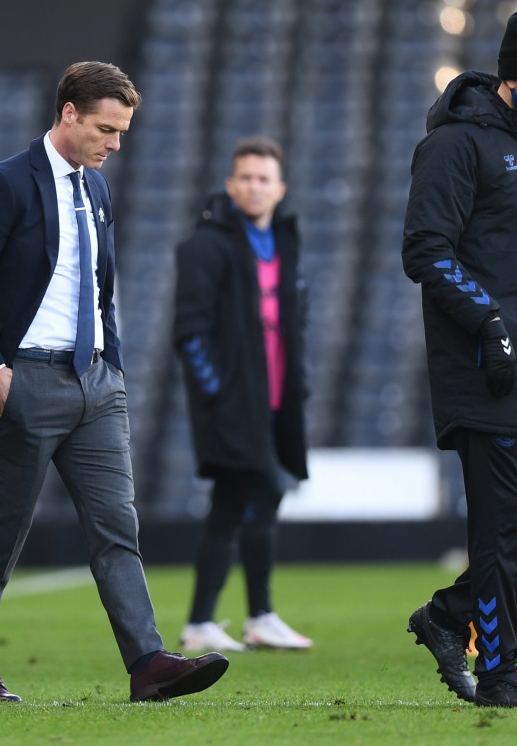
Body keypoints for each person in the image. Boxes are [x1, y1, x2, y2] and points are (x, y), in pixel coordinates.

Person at [0, 61, 229, 703]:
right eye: (106, 129)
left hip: (96, 385)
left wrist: (110, 361)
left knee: (119, 530)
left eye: (121, 131)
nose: (115, 143)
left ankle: (147, 663)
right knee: (0, 537)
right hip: (23, 379)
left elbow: (101, 286)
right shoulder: (2, 184)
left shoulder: (98, 189)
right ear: (68, 114)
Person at [400, 2, 517, 708]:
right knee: (503, 523)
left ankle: (448, 615)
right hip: (485, 368)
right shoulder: (456, 145)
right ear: (513, 77)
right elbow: (425, 249)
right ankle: (500, 673)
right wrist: (486, 322)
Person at [173, 136, 311, 653]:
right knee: (266, 490)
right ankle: (260, 614)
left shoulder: (286, 242)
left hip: (277, 402)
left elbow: (295, 320)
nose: (254, 187)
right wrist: (220, 396)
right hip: (233, 407)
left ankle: (201, 623)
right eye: (245, 178)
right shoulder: (205, 246)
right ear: (231, 186)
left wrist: (302, 381)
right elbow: (189, 333)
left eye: (263, 179)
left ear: (280, 189)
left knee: (229, 506)